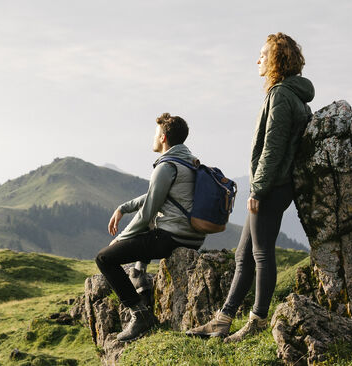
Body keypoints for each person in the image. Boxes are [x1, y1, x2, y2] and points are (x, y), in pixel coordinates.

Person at [185, 32, 314, 342]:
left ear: (277, 60)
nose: (258, 60)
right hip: (275, 184)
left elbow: (273, 147)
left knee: (260, 254)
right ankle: (223, 319)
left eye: (263, 55)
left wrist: (257, 189)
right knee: (243, 255)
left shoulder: (281, 94)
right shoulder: (289, 94)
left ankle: (256, 319)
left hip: (273, 185)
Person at [97, 113, 207, 342]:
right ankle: (139, 278)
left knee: (105, 259)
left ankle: (140, 315)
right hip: (193, 236)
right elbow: (155, 195)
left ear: (164, 137)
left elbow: (148, 211)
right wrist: (123, 207)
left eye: (156, 134)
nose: (154, 138)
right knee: (147, 229)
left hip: (172, 237)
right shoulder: (188, 161)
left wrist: (120, 239)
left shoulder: (167, 166)